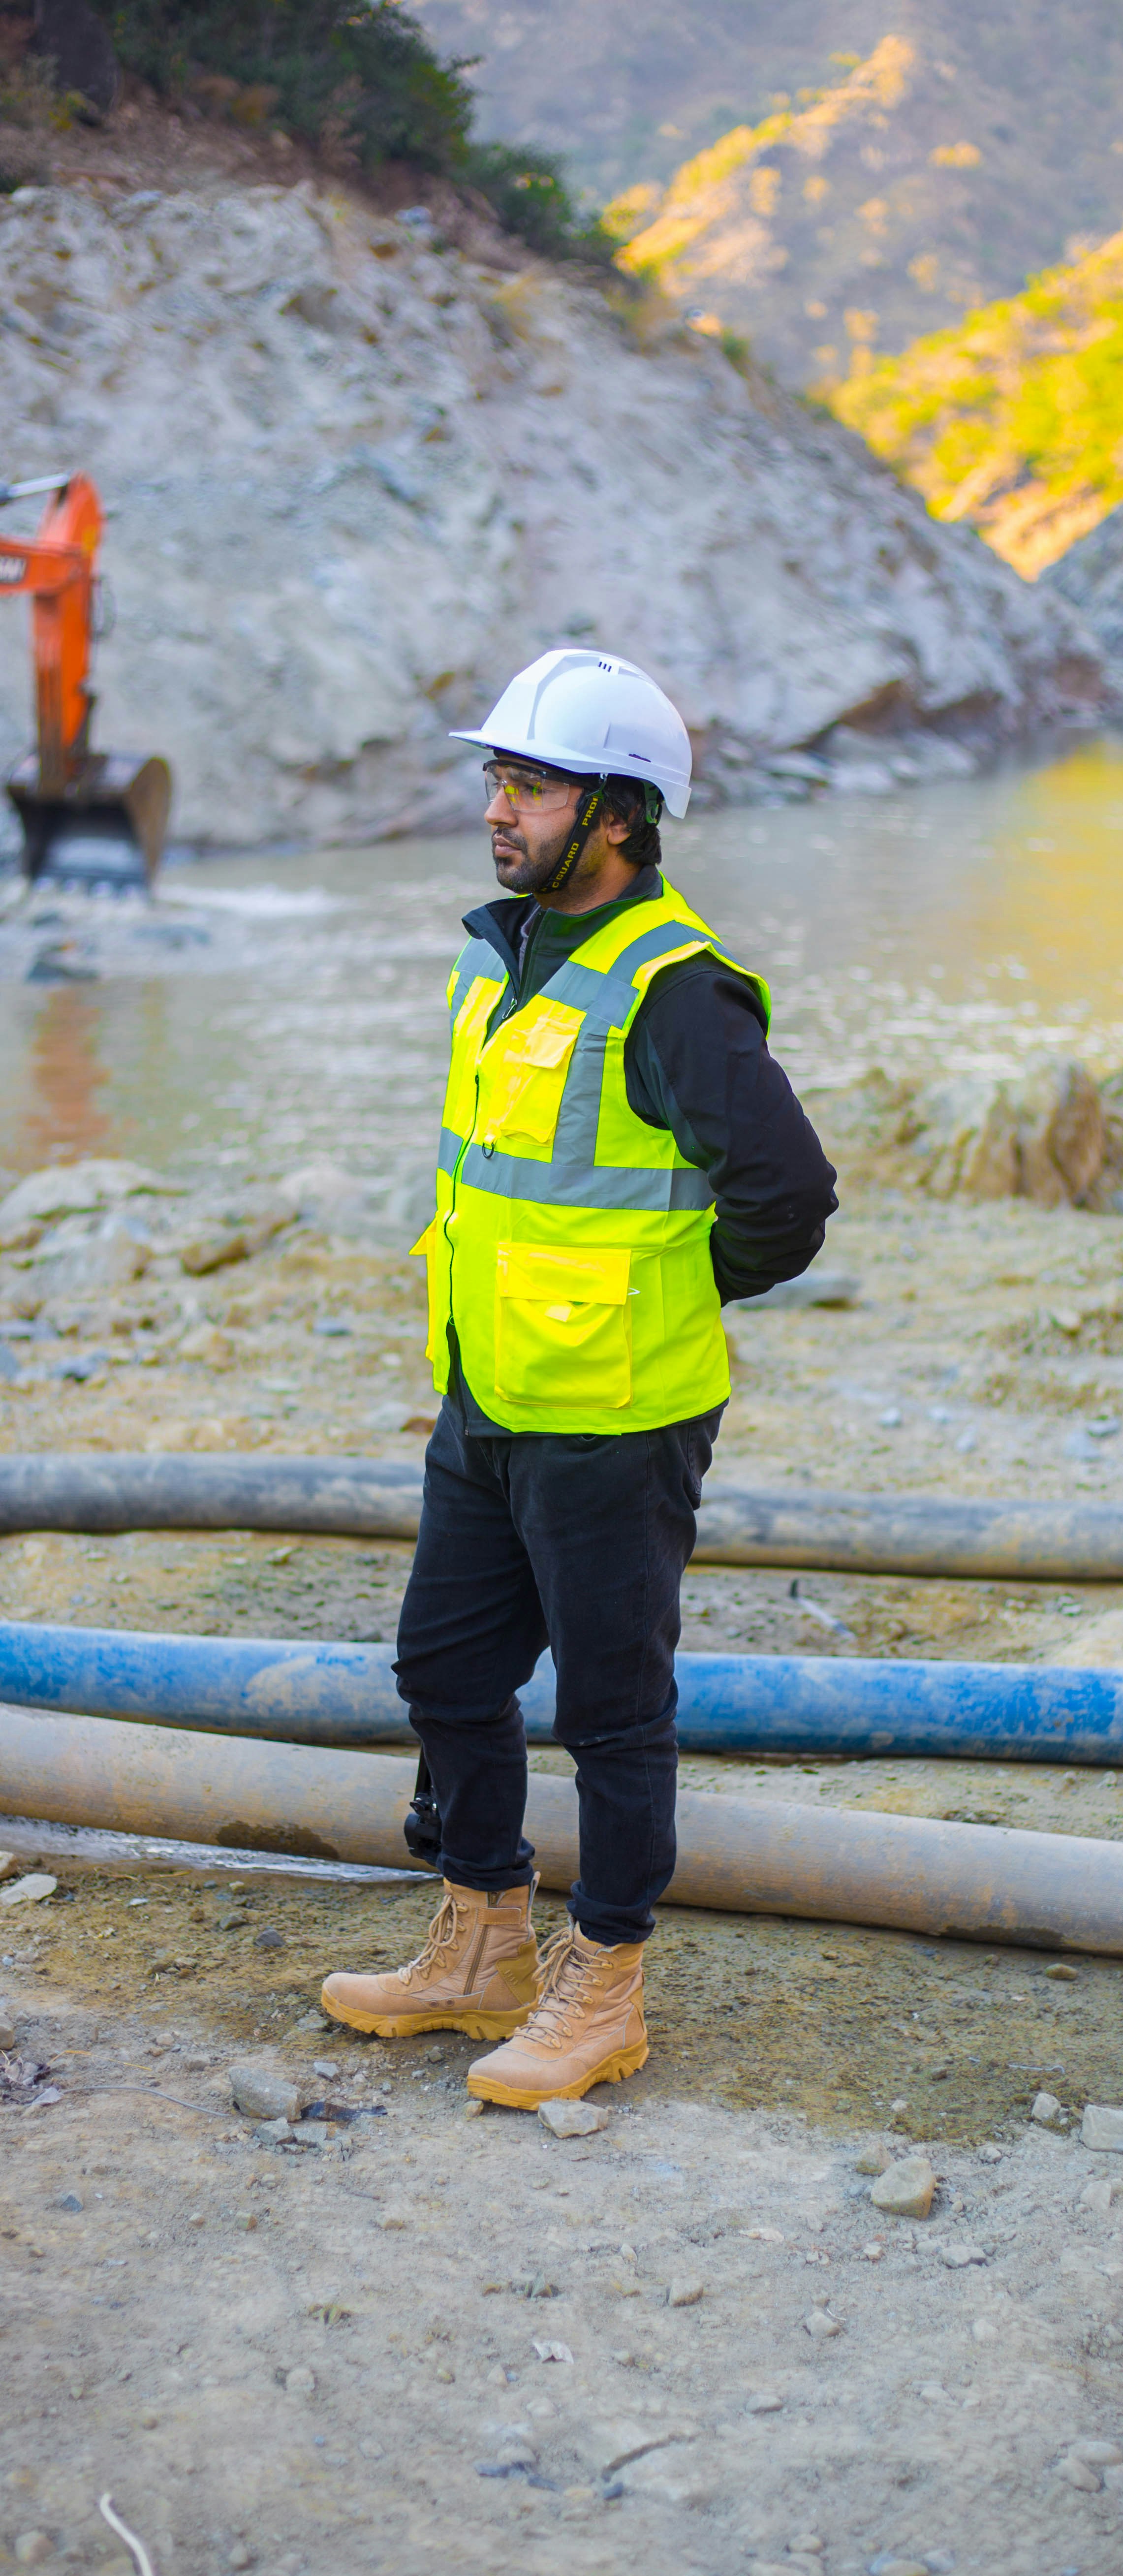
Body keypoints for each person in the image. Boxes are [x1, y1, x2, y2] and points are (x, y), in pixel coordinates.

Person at [321, 650, 837, 2108]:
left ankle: (602, 1987)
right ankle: (482, 1940)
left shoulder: (675, 991)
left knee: (612, 1710)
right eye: (497, 777)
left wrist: (661, 1289)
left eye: (531, 783)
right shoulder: (503, 956)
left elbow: (787, 1199)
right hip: (488, 1393)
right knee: (445, 1669)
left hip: (617, 1413)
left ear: (615, 815)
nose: (500, 805)